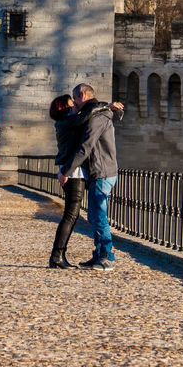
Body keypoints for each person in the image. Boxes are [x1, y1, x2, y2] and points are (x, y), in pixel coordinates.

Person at [59, 82, 120, 271]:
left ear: (83, 96)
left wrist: (65, 171)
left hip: (102, 171)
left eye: (75, 98)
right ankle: (100, 254)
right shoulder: (97, 115)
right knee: (95, 215)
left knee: (99, 215)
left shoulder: (97, 118)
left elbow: (85, 147)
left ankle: (107, 257)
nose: (74, 103)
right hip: (100, 171)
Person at [47, 94, 86, 269]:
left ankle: (58, 255)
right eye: (71, 102)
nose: (74, 104)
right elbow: (86, 115)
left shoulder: (64, 122)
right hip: (72, 171)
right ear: (65, 106)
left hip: (68, 169)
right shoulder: (68, 121)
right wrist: (104, 106)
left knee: (70, 215)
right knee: (70, 215)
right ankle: (57, 256)